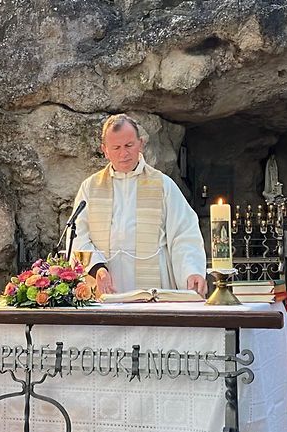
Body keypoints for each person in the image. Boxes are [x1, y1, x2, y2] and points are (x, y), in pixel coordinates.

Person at [70, 114, 207, 296]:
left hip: (153, 285)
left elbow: (184, 234)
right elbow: (78, 235)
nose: (123, 154)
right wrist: (97, 269)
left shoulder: (162, 185)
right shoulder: (90, 187)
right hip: (105, 283)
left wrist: (191, 271)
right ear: (105, 150)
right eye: (116, 147)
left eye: (129, 145)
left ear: (141, 144)